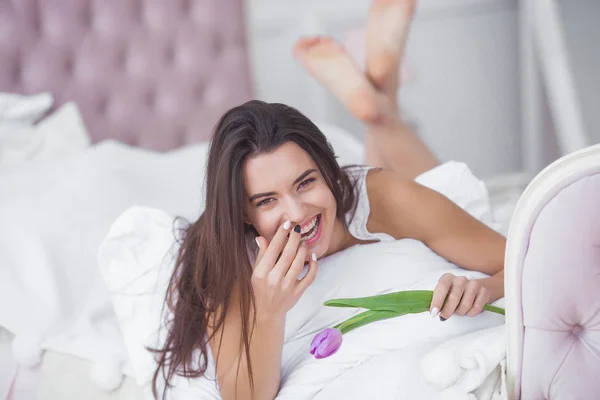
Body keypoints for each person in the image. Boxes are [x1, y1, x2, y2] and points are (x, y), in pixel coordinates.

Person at [152, 0, 506, 399]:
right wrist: (269, 312)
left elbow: (518, 264)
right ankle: (381, 106)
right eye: (267, 201)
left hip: (373, 198)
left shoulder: (379, 195)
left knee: (421, 184)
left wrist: (486, 289)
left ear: (329, 169)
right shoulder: (226, 258)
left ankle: (379, 114)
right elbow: (244, 397)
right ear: (243, 212)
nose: (297, 212)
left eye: (305, 183)